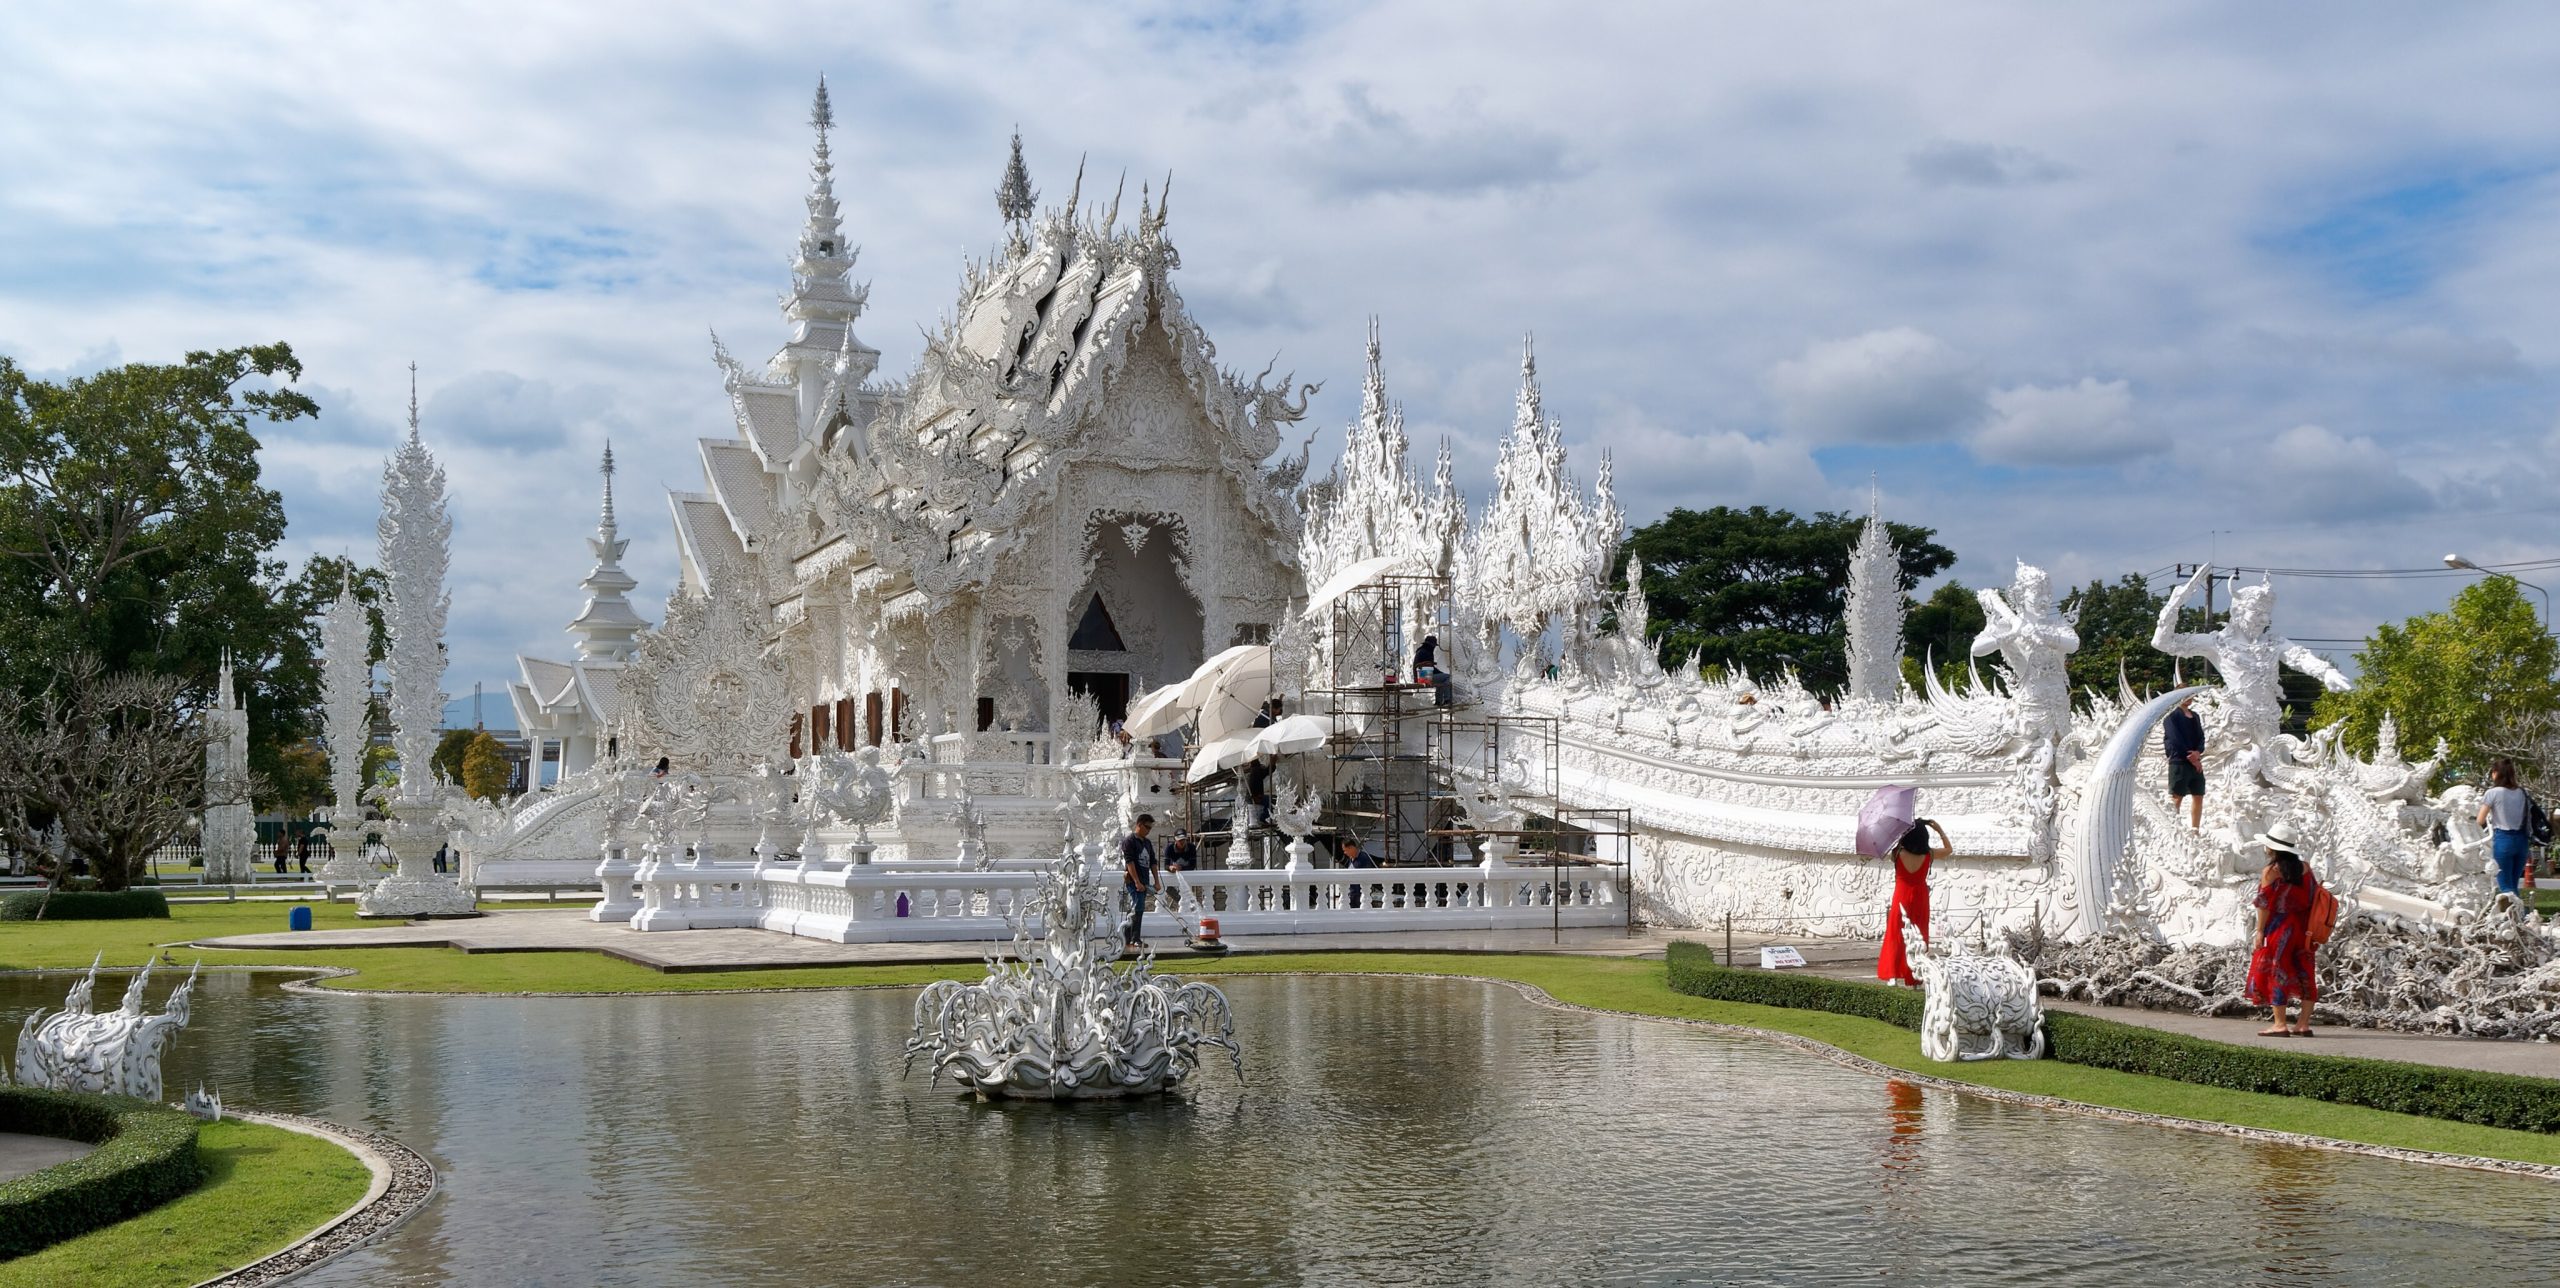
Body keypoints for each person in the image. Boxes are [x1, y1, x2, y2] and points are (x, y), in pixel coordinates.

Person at [2246, 823, 2319, 1037]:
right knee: (2306, 971)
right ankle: (2303, 1024)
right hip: (2304, 928)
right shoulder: (2305, 868)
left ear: (2272, 848)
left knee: (2277, 970)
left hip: (2280, 928)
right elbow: (2314, 896)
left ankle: (2280, 1024)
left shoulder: (2271, 871)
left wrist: (2259, 931)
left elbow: (2264, 904)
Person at [1875, 819, 1950, 986]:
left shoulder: (1897, 853)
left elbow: (1886, 846)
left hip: (1901, 896)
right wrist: (1939, 830)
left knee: (1896, 934)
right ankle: (1915, 976)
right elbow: (1948, 850)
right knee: (1919, 934)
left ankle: (1892, 975)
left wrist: (1900, 833)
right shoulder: (1929, 854)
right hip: (1920, 897)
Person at [2478, 758, 2531, 898]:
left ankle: (2517, 915)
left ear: (2496, 773)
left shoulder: (2493, 793)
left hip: (2503, 839)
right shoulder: (2522, 792)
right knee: (2513, 883)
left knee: (2505, 885)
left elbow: (2480, 820)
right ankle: (2520, 916)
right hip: (2522, 840)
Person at [2163, 694, 2206, 830]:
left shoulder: (2195, 716)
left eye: (2191, 695)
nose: (2189, 698)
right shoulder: (2171, 716)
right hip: (2179, 761)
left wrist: (2198, 752)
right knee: (2177, 797)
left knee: (2198, 795)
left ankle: (2195, 830)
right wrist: (2192, 758)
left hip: (2196, 761)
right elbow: (2175, 739)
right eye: (2186, 695)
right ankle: (2173, 829)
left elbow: (2201, 737)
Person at [1120, 813, 1158, 951]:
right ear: (1139, 825)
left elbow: (1153, 862)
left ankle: (1129, 938)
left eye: (1150, 828)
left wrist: (1157, 881)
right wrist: (1136, 882)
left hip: (1145, 881)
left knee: (1139, 909)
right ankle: (1132, 938)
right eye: (1147, 827)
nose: (1148, 830)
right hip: (1133, 882)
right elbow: (1129, 862)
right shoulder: (1129, 841)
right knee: (1136, 909)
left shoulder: (1147, 843)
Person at [1339, 834, 1378, 908]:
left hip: (1360, 896)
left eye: (1345, 850)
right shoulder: (1351, 859)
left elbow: (1367, 877)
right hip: (1351, 895)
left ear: (1351, 848)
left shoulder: (1364, 858)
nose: (1344, 853)